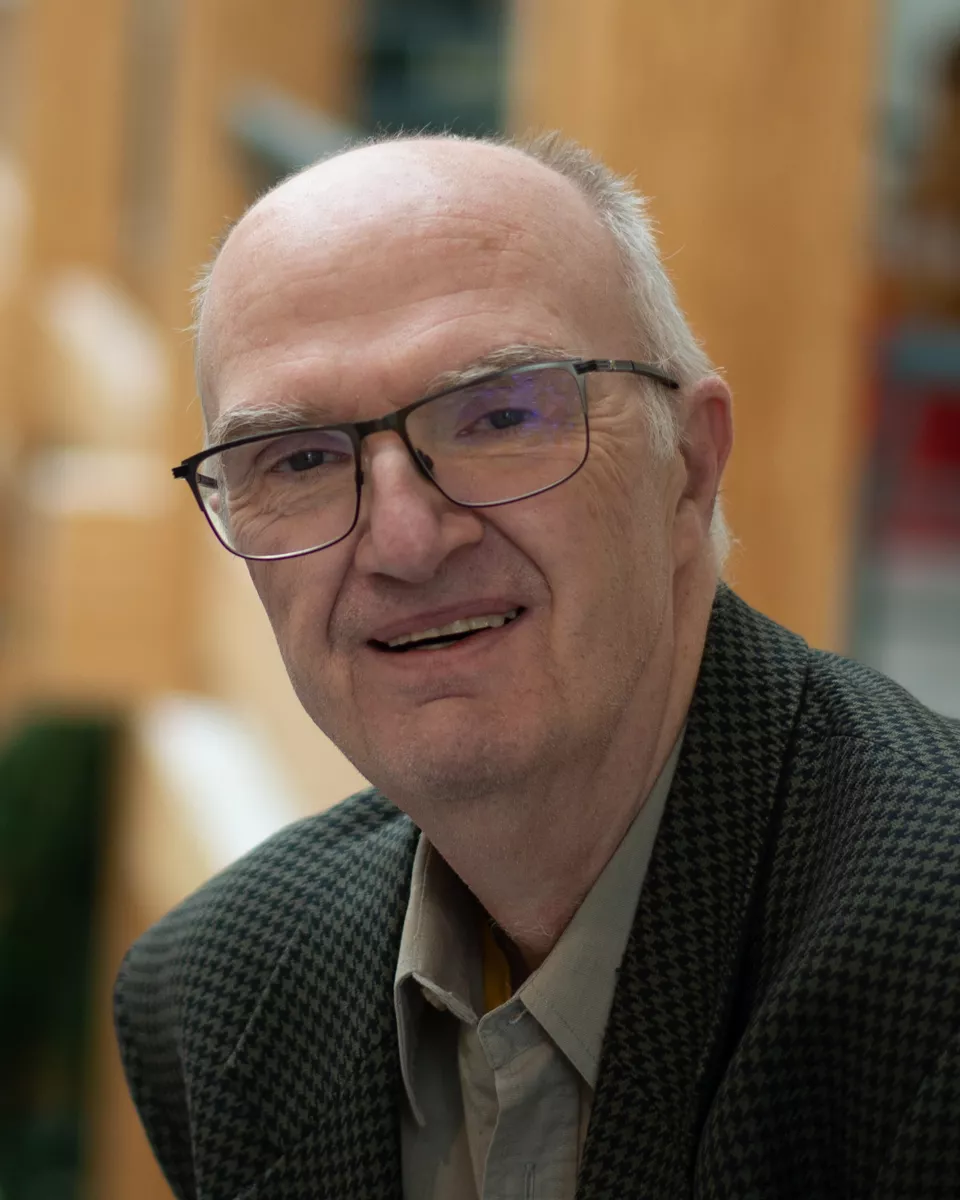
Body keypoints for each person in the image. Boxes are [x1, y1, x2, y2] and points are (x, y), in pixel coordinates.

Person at [114, 133, 960, 1200]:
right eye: (298, 459)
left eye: (501, 417)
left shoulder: (934, 980)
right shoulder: (218, 991)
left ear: (689, 465)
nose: (406, 540)